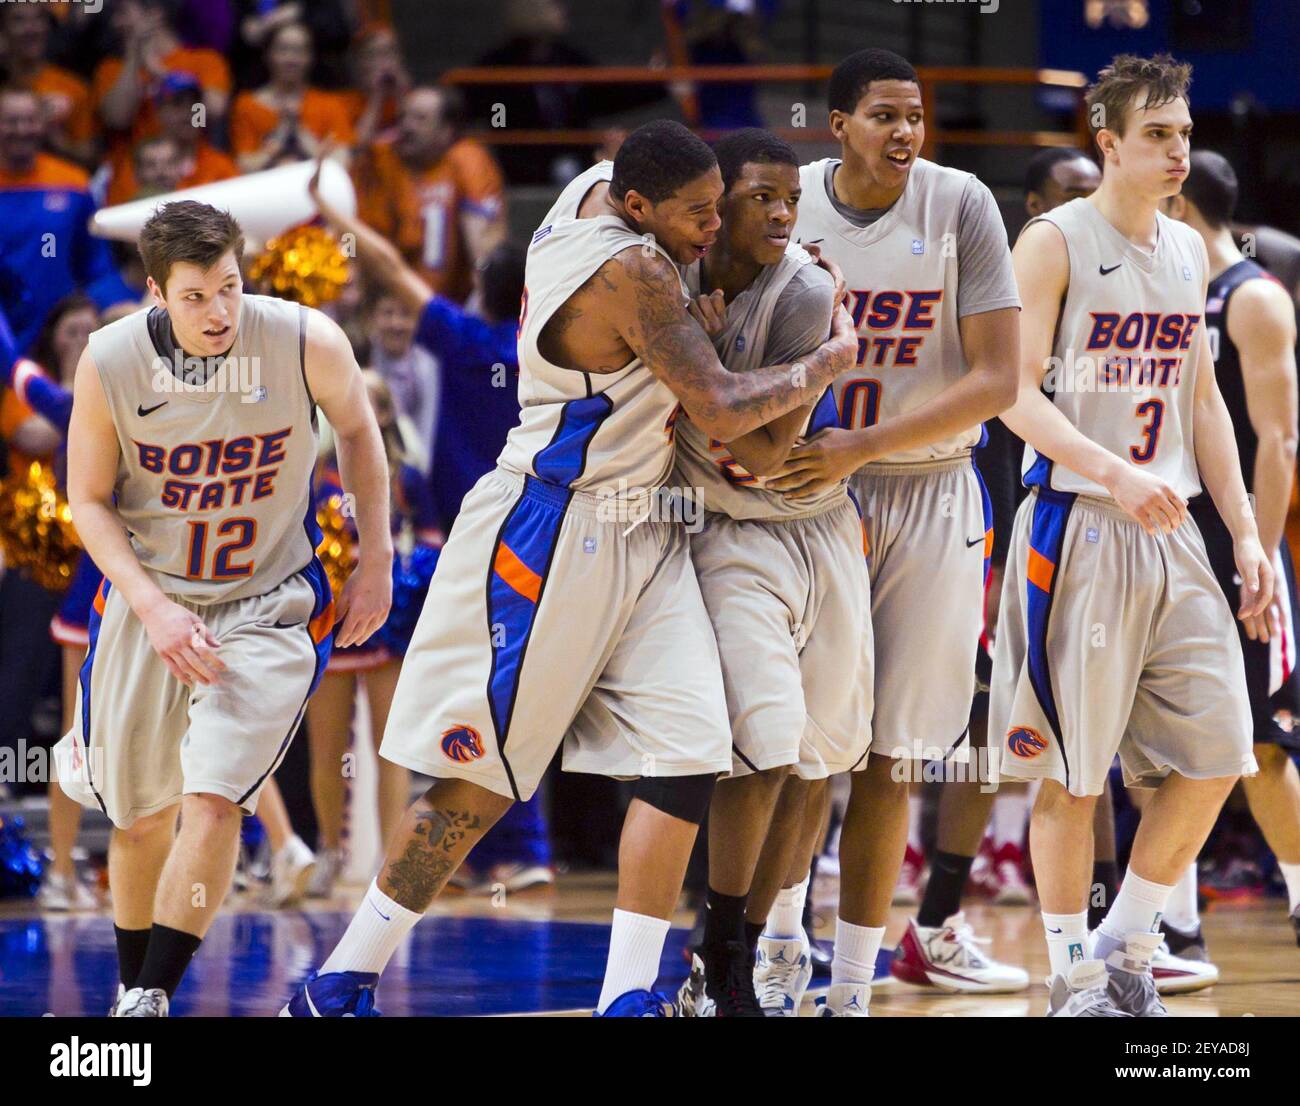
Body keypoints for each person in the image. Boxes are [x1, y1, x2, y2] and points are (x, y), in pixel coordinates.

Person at [282, 118, 857, 1017]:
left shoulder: (590, 188)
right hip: (553, 530)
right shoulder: (635, 270)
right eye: (700, 213)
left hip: (647, 530)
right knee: (480, 781)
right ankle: (339, 981)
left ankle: (626, 998)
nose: (715, 228)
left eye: (720, 207)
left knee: (691, 751)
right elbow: (722, 407)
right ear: (636, 208)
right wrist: (828, 359)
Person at [55, 199, 392, 1017]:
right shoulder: (109, 361)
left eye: (231, 288)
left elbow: (358, 430)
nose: (219, 312)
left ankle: (152, 1001)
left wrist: (376, 554)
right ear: (157, 294)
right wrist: (153, 609)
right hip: (152, 599)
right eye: (197, 296)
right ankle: (133, 992)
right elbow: (88, 501)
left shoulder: (305, 340)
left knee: (213, 798)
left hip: (266, 601)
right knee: (137, 818)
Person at [992, 54, 1269, 1017]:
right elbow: (1012, 391)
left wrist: (1243, 532)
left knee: (1222, 750)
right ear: (1106, 142)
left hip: (1173, 530)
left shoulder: (1190, 251)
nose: (1178, 151)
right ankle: (1075, 977)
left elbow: (1201, 401)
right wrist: (1110, 469)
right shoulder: (1052, 241)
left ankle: (1129, 942)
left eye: (1185, 134)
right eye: (1158, 134)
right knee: (1075, 770)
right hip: (1080, 521)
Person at [762, 48, 1025, 1015]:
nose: (905, 132)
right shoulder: (783, 201)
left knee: (891, 755)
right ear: (837, 124)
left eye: (915, 115)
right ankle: (777, 945)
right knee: (797, 743)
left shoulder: (962, 204)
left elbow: (998, 380)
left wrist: (860, 444)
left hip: (929, 488)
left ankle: (856, 982)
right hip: (809, 492)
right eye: (884, 115)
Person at [658, 129, 864, 1017]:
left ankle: (753, 939)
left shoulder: (809, 289)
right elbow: (751, 444)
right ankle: (722, 949)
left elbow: (773, 446)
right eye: (758, 198)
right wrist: (708, 377)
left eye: (791, 199)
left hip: (821, 527)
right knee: (763, 746)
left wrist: (703, 381)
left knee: (817, 757)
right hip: (726, 532)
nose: (781, 213)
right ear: (715, 204)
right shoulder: (672, 281)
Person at [1167, 150, 1300, 948]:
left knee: (1263, 737)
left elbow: (1279, 441)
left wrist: (1267, 558)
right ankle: (1171, 924)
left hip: (1243, 540)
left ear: (1180, 205)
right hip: (1169, 529)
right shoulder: (1160, 292)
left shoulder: (1252, 298)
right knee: (1167, 736)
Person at [0, 88, 134, 354]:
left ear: (43, 124)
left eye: (30, 120)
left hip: (58, 340)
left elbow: (96, 264)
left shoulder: (73, 183)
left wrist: (121, 310)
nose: (22, 129)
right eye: (11, 121)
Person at [351, 86, 506, 304]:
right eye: (402, 116)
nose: (406, 126)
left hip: (452, 309)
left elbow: (485, 249)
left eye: (420, 118)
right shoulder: (382, 160)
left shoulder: (467, 161)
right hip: (384, 305)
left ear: (447, 130)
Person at [229, 21, 354, 174]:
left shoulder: (330, 104)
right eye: (283, 50)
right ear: (268, 54)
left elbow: (342, 164)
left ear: (310, 57)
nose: (291, 59)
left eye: (299, 51)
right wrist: (281, 133)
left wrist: (299, 130)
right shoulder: (247, 104)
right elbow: (243, 167)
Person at [107, 73, 238, 207]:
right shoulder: (139, 164)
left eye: (195, 104)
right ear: (159, 111)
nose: (189, 112)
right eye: (178, 103)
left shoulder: (221, 166)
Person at [0, 4, 98, 167]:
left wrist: (55, 138)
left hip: (55, 186)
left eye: (38, 19)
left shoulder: (73, 88)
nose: (30, 29)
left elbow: (91, 157)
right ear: (3, 31)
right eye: (19, 20)